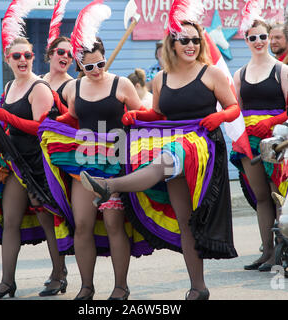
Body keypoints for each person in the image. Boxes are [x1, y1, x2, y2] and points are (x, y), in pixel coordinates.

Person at [80, 15, 240, 299]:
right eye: (184, 40)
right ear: (172, 43)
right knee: (185, 220)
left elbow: (233, 109)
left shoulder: (211, 73)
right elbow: (159, 114)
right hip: (174, 140)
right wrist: (136, 115)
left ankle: (111, 186)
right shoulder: (160, 78)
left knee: (168, 157)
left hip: (201, 144)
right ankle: (198, 288)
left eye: (195, 39)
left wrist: (219, 116)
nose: (191, 45)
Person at [38, 0, 153, 300]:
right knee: (82, 226)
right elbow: (74, 117)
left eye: (100, 64)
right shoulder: (73, 88)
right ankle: (86, 287)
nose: (96, 70)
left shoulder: (122, 84)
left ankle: (120, 287)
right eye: (89, 66)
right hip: (84, 163)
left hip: (115, 163)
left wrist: (132, 117)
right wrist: (52, 122)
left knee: (115, 224)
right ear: (80, 65)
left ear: (105, 59)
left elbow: (144, 117)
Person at [0, 36, 67, 299]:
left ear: (32, 57)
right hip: (15, 162)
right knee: (11, 222)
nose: (23, 60)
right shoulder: (9, 86)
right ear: (8, 59)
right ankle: (7, 282)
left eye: (27, 55)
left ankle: (58, 275)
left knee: (48, 221)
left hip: (38, 166)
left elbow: (42, 128)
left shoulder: (39, 87)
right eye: (17, 56)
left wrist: (7, 117)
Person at [231, 15, 288, 272]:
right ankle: (266, 252)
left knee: (280, 196)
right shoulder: (239, 73)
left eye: (262, 36)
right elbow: (235, 110)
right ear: (246, 40)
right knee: (261, 197)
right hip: (249, 141)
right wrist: (241, 135)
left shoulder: (281, 70)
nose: (258, 41)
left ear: (269, 38)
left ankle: (281, 251)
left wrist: (270, 122)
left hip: (276, 139)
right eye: (252, 37)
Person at [41, 36, 74, 286]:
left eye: (70, 55)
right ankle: (57, 270)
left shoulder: (73, 86)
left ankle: (58, 273)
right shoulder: (37, 82)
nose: (66, 57)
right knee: (43, 218)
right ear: (50, 53)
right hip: (33, 157)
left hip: (59, 160)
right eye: (61, 51)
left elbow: (75, 123)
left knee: (56, 216)